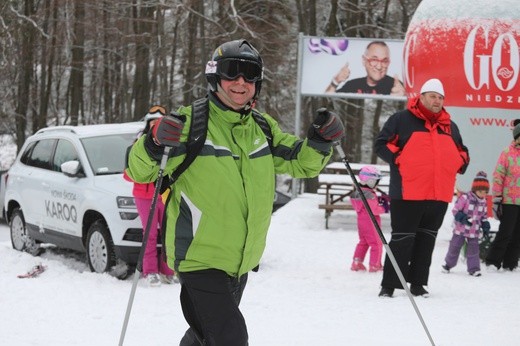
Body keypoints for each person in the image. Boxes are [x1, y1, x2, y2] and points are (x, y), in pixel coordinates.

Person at [126, 39, 344, 345]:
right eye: (232, 73)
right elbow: (139, 171)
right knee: (230, 338)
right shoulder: (190, 124)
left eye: (250, 74)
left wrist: (320, 141)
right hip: (200, 258)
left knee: (206, 334)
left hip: (239, 260)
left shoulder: (262, 128)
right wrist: (152, 144)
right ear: (215, 78)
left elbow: (300, 162)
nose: (241, 82)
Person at [374, 78, 469, 298]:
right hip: (407, 192)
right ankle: (389, 285)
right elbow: (382, 143)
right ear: (422, 97)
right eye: (433, 96)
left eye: (440, 98)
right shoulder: (401, 119)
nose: (437, 101)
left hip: (439, 193)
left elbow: (462, 151)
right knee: (401, 239)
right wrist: (399, 158)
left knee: (427, 240)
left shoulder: (450, 126)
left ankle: (417, 283)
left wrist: (459, 162)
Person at [123, 105, 177, 287]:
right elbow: (128, 173)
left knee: (169, 233)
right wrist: (146, 174)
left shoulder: (170, 145)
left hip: (163, 193)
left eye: (160, 123)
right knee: (150, 234)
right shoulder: (138, 146)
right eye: (153, 123)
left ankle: (168, 270)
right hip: (144, 196)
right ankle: (150, 271)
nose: (156, 126)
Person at [485, 119, 520, 271]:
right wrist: (497, 198)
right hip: (509, 200)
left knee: (518, 233)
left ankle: (510, 262)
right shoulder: (508, 152)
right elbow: (498, 175)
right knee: (506, 231)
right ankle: (493, 261)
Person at [442, 171, 491, 277]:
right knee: (455, 247)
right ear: (475, 189)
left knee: (473, 250)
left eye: (485, 192)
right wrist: (463, 218)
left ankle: (473, 269)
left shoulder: (483, 202)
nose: (483, 194)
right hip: (461, 228)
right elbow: (455, 210)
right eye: (481, 191)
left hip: (474, 230)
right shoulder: (465, 198)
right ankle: (448, 264)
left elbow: (484, 216)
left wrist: (485, 226)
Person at [324, 41, 405, 96]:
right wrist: (335, 82)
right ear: (364, 60)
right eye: (374, 60)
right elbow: (327, 103)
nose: (379, 67)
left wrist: (404, 98)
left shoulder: (397, 87)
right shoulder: (352, 85)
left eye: (384, 61)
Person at [350, 166, 387, 272]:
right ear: (369, 181)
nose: (377, 184)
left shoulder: (357, 193)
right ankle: (375, 265)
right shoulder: (369, 194)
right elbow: (374, 210)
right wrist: (384, 207)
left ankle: (357, 262)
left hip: (361, 222)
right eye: (376, 181)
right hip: (371, 223)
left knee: (363, 242)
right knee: (376, 243)